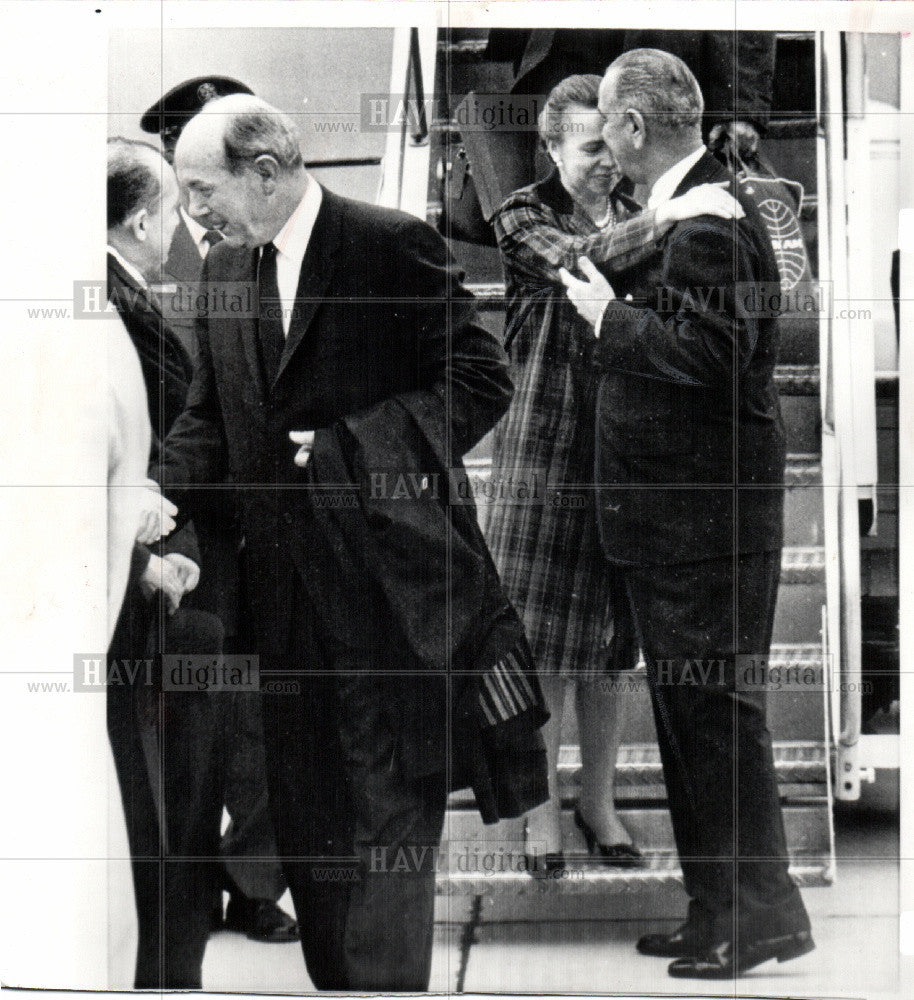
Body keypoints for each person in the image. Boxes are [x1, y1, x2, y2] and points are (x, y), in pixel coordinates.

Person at [156, 94, 536, 990]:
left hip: (388, 596)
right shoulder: (222, 274)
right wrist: (129, 497)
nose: (193, 212)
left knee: (386, 818)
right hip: (281, 609)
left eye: (202, 189)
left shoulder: (386, 242)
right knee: (311, 822)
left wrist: (347, 451)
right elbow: (210, 422)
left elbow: (482, 379)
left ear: (264, 171)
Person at [560, 49, 814, 978]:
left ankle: (757, 921)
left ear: (632, 127)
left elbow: (709, 357)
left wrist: (607, 320)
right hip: (686, 528)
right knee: (698, 724)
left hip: (699, 530)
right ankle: (721, 914)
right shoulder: (693, 206)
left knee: (715, 728)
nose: (607, 147)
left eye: (609, 129)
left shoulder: (707, 219)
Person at [486, 74, 745, 871]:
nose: (607, 160)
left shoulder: (647, 215)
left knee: (610, 650)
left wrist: (667, 217)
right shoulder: (522, 214)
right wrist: (673, 213)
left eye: (612, 143)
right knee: (540, 651)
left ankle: (598, 801)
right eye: (589, 146)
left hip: (625, 457)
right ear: (553, 146)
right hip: (543, 457)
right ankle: (539, 815)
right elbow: (574, 265)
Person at [141, 75, 298, 946]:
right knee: (209, 708)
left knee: (275, 707)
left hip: (266, 518)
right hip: (187, 520)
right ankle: (210, 882)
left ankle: (256, 880)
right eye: (185, 171)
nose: (198, 197)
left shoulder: (272, 242)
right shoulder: (146, 254)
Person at [107, 137, 228, 989]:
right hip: (151, 590)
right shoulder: (113, 304)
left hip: (167, 576)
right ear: (145, 216)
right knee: (162, 809)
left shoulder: (126, 292)